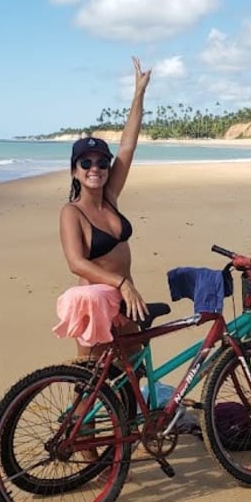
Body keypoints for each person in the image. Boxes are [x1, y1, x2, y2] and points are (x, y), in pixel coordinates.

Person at [55, 57, 151, 355]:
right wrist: (120, 281)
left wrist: (138, 94)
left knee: (131, 373)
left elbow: (127, 146)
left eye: (100, 163)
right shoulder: (72, 212)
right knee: (90, 381)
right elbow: (76, 263)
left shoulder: (110, 197)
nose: (94, 168)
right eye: (85, 163)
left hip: (125, 298)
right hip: (95, 301)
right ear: (75, 171)